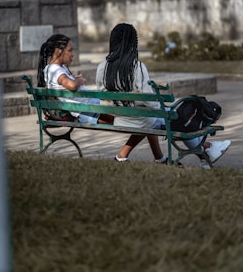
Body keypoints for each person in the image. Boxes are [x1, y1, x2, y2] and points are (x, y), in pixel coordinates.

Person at [96, 23, 231, 169]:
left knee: (157, 116)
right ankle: (206, 150)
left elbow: (104, 99)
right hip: (140, 119)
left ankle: (203, 151)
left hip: (119, 119)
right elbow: (150, 104)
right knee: (177, 117)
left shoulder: (102, 67)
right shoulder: (137, 67)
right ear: (132, 43)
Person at [37, 34, 114, 125]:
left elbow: (63, 83)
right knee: (125, 120)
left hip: (88, 107)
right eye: (70, 50)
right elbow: (72, 85)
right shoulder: (55, 69)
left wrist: (74, 79)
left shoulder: (56, 68)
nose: (73, 54)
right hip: (86, 110)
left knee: (126, 118)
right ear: (58, 51)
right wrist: (79, 81)